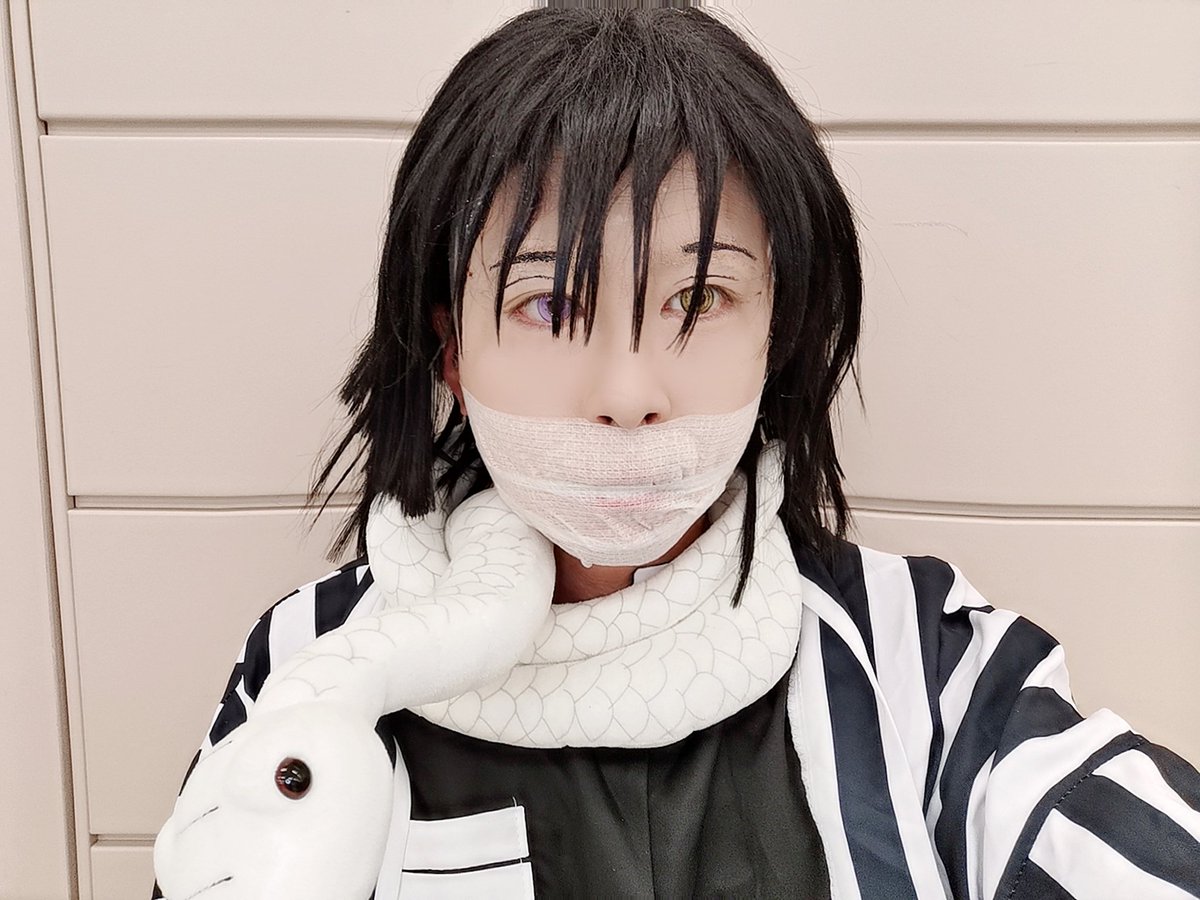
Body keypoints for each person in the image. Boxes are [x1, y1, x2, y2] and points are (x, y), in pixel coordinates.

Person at [152, 6, 1200, 898]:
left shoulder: (925, 660)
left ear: (778, 331)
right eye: (548, 303)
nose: (628, 394)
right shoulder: (309, 664)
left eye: (698, 299)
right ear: (451, 347)